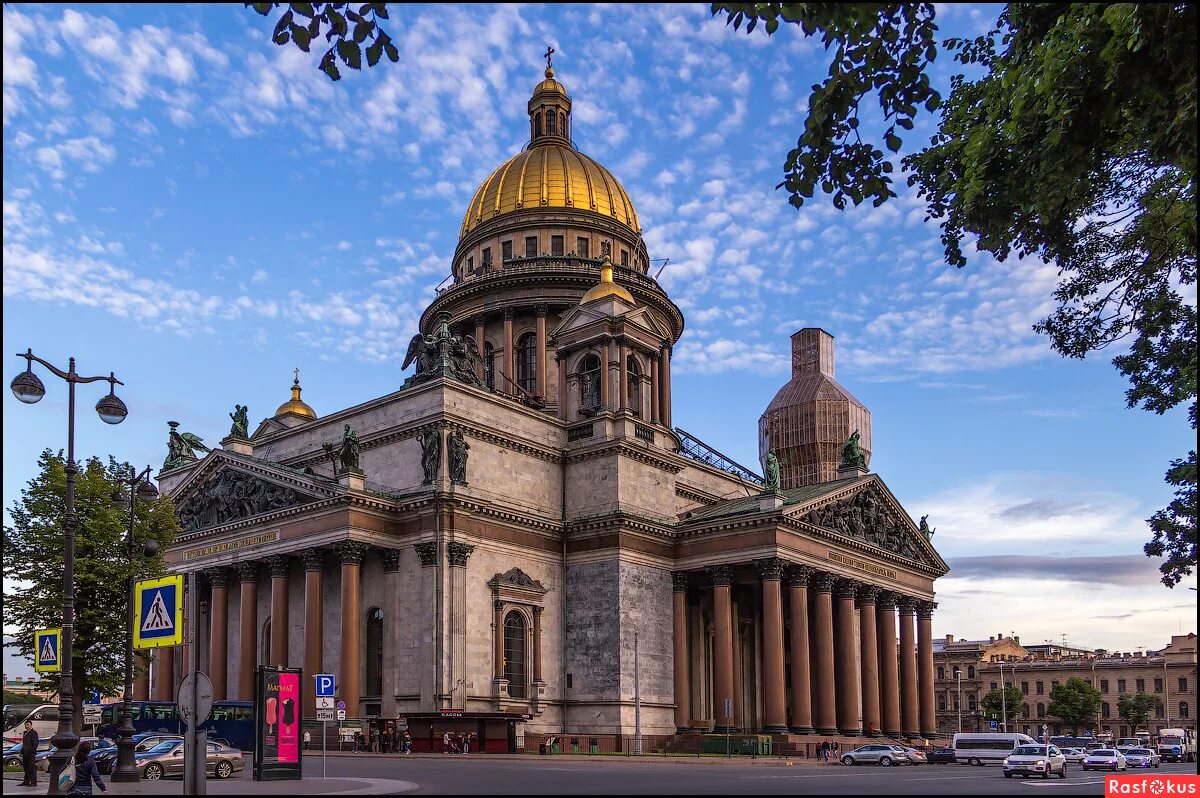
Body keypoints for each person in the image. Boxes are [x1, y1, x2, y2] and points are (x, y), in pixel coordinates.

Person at [20, 720, 38, 786]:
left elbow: (35, 743)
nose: (26, 726)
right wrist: (22, 751)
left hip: (31, 754)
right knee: (26, 768)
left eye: (28, 725)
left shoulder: (33, 733)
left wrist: (32, 751)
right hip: (25, 753)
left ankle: (33, 782)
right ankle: (26, 781)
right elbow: (24, 743)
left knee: (32, 768)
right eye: (25, 725)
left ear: (31, 725)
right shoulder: (25, 732)